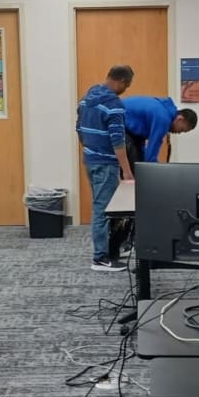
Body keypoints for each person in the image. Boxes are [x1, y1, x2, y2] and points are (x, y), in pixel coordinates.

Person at [76, 64, 134, 272]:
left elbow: (79, 129)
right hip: (106, 164)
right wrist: (126, 171)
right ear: (122, 82)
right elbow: (118, 141)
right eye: (126, 86)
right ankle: (100, 258)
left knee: (100, 206)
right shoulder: (113, 103)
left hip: (89, 160)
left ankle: (106, 252)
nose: (125, 91)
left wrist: (91, 149)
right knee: (102, 210)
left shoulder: (87, 97)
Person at [122, 96, 198, 170]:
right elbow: (151, 156)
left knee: (139, 166)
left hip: (127, 128)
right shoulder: (163, 118)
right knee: (137, 170)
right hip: (117, 123)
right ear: (180, 119)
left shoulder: (164, 111)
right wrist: (158, 171)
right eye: (181, 129)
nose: (179, 133)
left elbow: (141, 142)